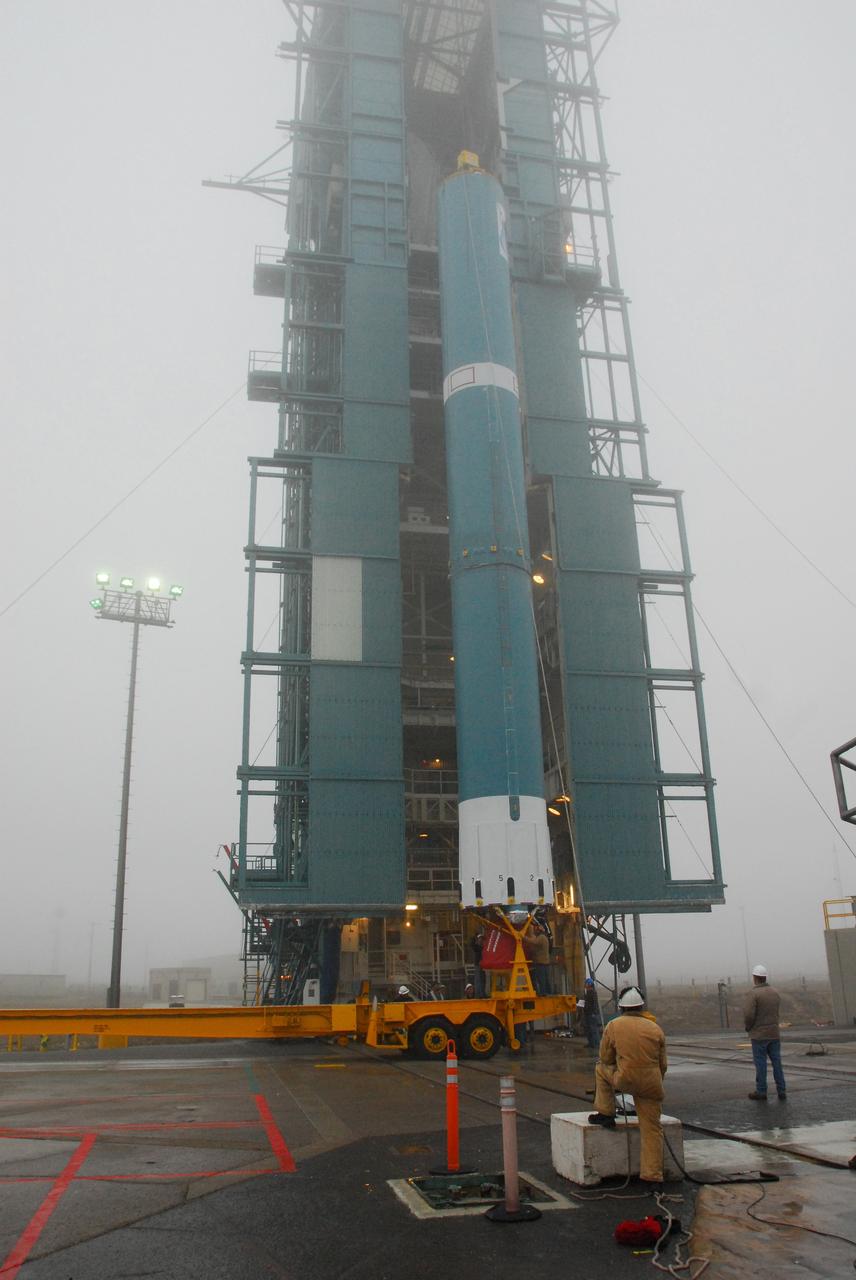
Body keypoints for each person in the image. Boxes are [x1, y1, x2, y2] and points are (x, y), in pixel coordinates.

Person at [588, 985, 668, 1186]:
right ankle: (652, 1176)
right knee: (651, 1129)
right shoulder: (655, 1028)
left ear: (621, 1007)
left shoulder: (614, 1026)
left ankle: (606, 1113)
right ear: (642, 1006)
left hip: (624, 1079)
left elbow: (605, 1057)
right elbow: (663, 1065)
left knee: (600, 1068)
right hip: (652, 1083)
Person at [744, 964, 786, 1101]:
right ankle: (782, 1090)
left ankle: (761, 1091)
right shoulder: (775, 992)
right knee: (777, 1063)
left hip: (759, 1035)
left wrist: (748, 1027)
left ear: (755, 977)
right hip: (774, 1034)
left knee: (761, 1064)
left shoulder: (754, 994)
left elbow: (749, 1015)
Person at [527, 923, 552, 995]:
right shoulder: (544, 937)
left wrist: (523, 937)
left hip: (541, 963)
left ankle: (543, 993)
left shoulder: (541, 938)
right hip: (544, 963)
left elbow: (533, 942)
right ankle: (548, 992)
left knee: (541, 979)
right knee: (545, 979)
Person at [581, 976, 603, 1050]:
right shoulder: (587, 993)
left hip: (592, 1014)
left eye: (586, 984)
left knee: (594, 1030)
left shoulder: (592, 993)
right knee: (589, 1030)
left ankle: (596, 1044)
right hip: (588, 1013)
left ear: (589, 984)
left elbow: (594, 1004)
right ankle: (591, 1043)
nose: (585, 985)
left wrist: (594, 1013)